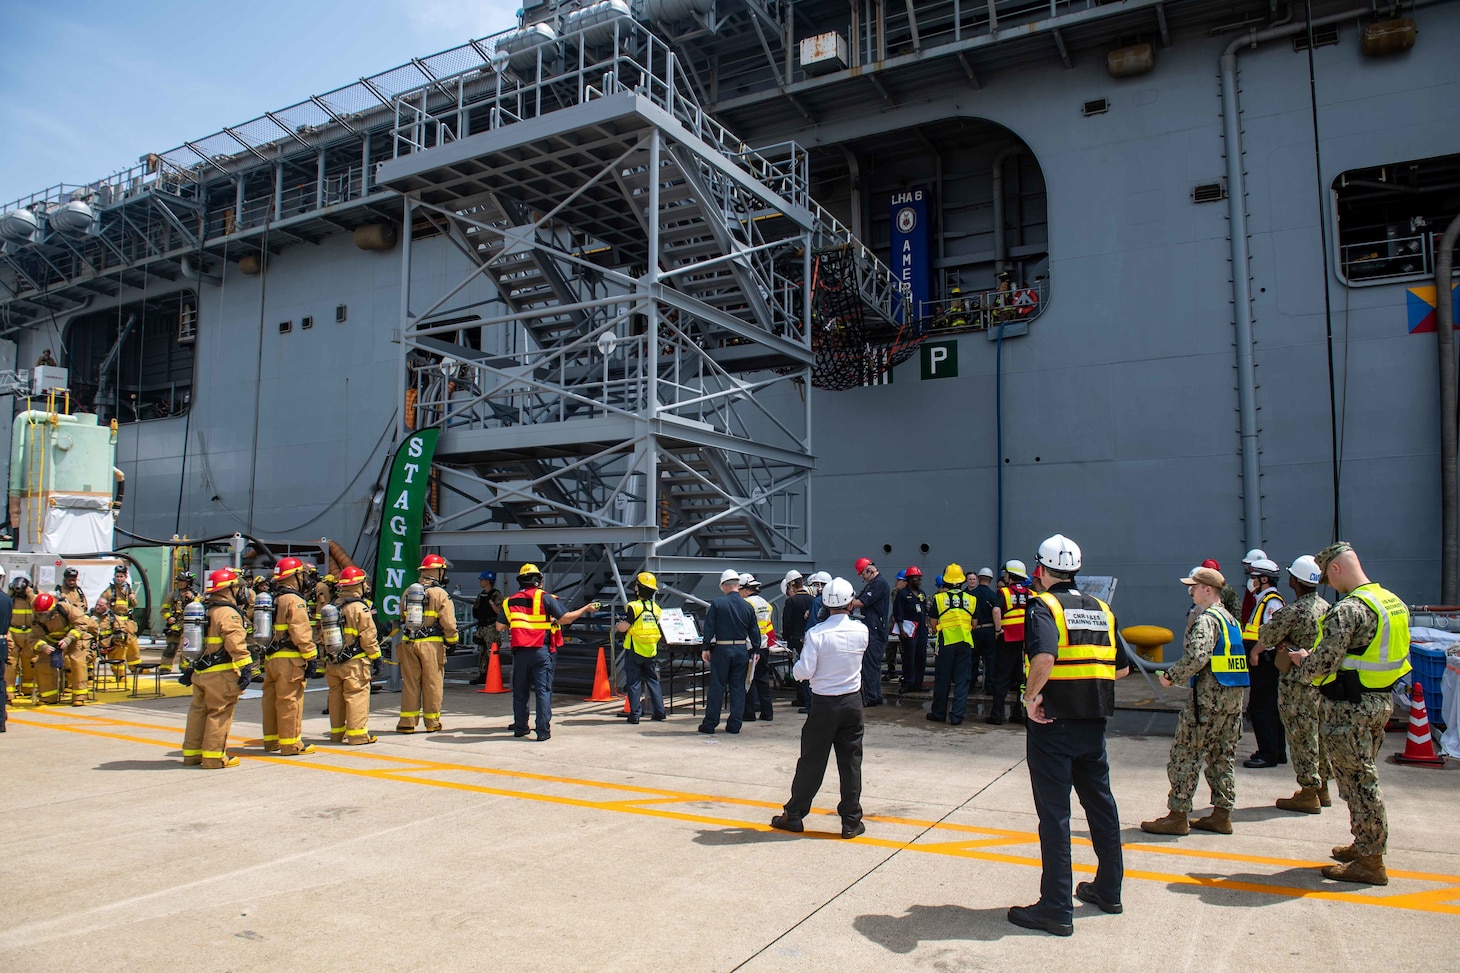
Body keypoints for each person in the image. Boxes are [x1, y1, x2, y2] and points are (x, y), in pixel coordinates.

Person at [1009, 534, 1128, 938]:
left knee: (1055, 815)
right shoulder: (1103, 609)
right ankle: (1109, 889)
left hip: (1053, 723)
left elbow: (1043, 657)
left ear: (1040, 571)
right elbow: (1122, 668)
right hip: (1093, 720)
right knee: (1101, 804)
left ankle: (1056, 907)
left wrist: (1031, 698)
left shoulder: (1043, 606)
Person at [1288, 542, 1411, 886]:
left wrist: (1303, 661)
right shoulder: (1391, 602)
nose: (1329, 583)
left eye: (1328, 575)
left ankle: (1371, 861)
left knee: (1359, 783)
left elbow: (1322, 664)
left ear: (1336, 570)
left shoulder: (1347, 610)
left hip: (1349, 709)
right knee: (1362, 777)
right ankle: (1364, 845)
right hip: (1379, 701)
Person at [1140, 566, 1249, 837]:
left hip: (1207, 701)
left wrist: (1170, 676)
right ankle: (1222, 814)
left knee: (1186, 754)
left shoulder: (1207, 619)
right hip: (1232, 701)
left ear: (1207, 590)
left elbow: (1197, 657)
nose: (1190, 591)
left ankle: (1178, 815)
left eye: (1194, 586)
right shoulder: (1231, 620)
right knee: (1222, 756)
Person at [770, 578, 869, 839]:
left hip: (824, 703)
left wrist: (796, 669)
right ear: (850, 602)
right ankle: (851, 820)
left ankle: (794, 815)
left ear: (825, 604)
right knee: (850, 762)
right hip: (852, 702)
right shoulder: (862, 631)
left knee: (811, 761)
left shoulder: (816, 634)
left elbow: (804, 671)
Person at [1262, 555, 1332, 813]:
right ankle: (1322, 786)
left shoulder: (1293, 612)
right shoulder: (1327, 607)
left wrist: (1286, 642)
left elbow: (1266, 635)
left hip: (1297, 684)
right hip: (1322, 681)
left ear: (1294, 581)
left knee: (1301, 736)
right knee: (1319, 734)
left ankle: (1308, 791)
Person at [496, 563, 596, 741]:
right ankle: (542, 731)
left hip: (520, 653)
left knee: (520, 691)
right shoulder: (546, 598)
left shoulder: (509, 601)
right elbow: (565, 619)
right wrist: (585, 609)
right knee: (543, 691)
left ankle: (520, 727)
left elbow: (499, 626)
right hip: (542, 651)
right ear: (539, 581)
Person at [180, 569, 254, 768]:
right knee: (219, 712)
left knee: (198, 711)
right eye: (237, 587)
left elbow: (185, 642)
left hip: (200, 672)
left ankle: (192, 755)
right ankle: (213, 757)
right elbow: (235, 643)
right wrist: (246, 667)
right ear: (228, 589)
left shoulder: (203, 609)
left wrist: (188, 668)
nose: (241, 591)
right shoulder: (227, 613)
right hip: (220, 673)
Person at [262, 556, 318, 755]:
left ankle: (271, 742)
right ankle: (291, 744)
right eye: (302, 575)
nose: (305, 578)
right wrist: (311, 656)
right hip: (290, 660)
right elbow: (300, 631)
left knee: (270, 700)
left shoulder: (273, 599)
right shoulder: (295, 601)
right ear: (294, 577)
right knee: (289, 700)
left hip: (271, 659)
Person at [397, 553, 459, 734]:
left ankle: (407, 722)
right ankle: (432, 722)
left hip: (409, 642)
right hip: (431, 645)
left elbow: (402, 614)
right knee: (432, 683)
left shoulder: (409, 591)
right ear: (438, 571)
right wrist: (452, 640)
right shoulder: (440, 593)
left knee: (410, 683)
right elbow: (448, 621)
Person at [698, 568, 760, 734]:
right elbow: (755, 631)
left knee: (717, 687)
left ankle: (710, 724)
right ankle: (734, 725)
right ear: (738, 585)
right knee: (738, 687)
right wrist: (756, 650)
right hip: (741, 649)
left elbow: (709, 628)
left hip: (722, 648)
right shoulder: (747, 606)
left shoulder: (718, 604)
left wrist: (705, 648)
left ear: (724, 586)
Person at [325, 566, 381, 745]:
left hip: (333, 662)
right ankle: (358, 736)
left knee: (336, 697)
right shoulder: (359, 608)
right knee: (356, 695)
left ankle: (337, 734)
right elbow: (368, 636)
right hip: (354, 663)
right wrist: (376, 657)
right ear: (360, 585)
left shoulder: (333, 607)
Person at [1241, 558, 1287, 769]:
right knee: (1268, 707)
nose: (1251, 582)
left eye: (1254, 578)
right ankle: (1276, 751)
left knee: (1261, 708)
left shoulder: (1271, 601)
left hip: (1265, 662)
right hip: (1263, 660)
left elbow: (1271, 633)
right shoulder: (1263, 599)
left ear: (1264, 579)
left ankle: (1267, 753)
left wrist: (1256, 652)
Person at [615, 572, 666, 725]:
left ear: (638, 588)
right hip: (651, 650)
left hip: (634, 649)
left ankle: (635, 714)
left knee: (634, 682)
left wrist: (618, 626)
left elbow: (625, 627)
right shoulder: (656, 609)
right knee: (652, 680)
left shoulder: (633, 606)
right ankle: (660, 712)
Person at [31, 591, 98, 706]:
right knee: (42, 662)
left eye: (45, 614)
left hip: (75, 638)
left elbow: (81, 625)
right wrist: (43, 646)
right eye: (40, 614)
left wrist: (68, 639)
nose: (42, 617)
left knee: (76, 660)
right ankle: (48, 696)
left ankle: (79, 696)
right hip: (52, 642)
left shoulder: (66, 609)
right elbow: (34, 636)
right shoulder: (37, 616)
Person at [927, 564, 975, 725]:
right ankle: (957, 716)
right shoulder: (971, 599)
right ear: (962, 581)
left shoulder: (939, 599)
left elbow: (933, 624)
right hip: (965, 642)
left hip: (946, 643)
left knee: (943, 679)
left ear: (945, 581)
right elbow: (974, 623)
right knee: (962, 681)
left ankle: (939, 713)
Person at [990, 560, 1032, 725]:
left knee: (1002, 679)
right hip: (1026, 641)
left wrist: (997, 630)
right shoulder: (1032, 594)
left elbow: (996, 610)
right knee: (1022, 679)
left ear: (1010, 575)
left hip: (1007, 639)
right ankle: (1020, 713)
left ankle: (997, 716)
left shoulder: (1004, 592)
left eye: (1006, 573)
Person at [849, 558, 891, 706]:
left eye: (862, 574)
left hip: (874, 630)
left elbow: (862, 602)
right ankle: (876, 695)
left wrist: (842, 603)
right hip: (875, 628)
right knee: (873, 665)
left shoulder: (878, 584)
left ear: (869, 570)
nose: (862, 577)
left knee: (869, 665)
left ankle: (871, 697)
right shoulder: (873, 584)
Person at [740, 574, 775, 722]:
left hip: (749, 646)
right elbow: (768, 627)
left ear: (744, 589)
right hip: (764, 646)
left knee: (748, 681)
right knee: (763, 680)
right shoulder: (766, 604)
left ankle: (749, 713)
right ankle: (767, 713)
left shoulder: (746, 604)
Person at [98, 565, 141, 677]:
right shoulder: (109, 591)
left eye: (121, 576)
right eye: (117, 576)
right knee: (119, 648)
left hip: (128, 623)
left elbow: (134, 604)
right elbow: (101, 606)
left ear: (125, 576)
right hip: (116, 623)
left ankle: (136, 667)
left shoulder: (128, 590)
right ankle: (119, 674)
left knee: (133, 645)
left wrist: (132, 598)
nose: (119, 578)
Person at [892, 566, 930, 692]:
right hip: (909, 631)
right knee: (909, 657)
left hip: (921, 630)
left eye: (919, 579)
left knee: (921, 656)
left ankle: (918, 682)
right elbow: (898, 613)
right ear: (909, 579)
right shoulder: (902, 594)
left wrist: (927, 626)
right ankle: (908, 682)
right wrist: (901, 630)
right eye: (915, 579)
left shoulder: (922, 594)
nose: (918, 582)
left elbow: (925, 611)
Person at [781, 572, 813, 709]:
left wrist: (786, 637)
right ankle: (809, 698)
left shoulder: (791, 602)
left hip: (795, 639)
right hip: (810, 639)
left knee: (798, 671)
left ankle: (801, 698)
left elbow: (786, 622)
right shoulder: (812, 599)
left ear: (790, 586)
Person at [160, 572, 199, 673]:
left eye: (183, 581)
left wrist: (193, 598)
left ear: (189, 582)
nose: (180, 583)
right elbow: (163, 610)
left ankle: (185, 667)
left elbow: (202, 606)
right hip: (176, 625)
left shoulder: (195, 595)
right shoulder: (173, 595)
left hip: (190, 625)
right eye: (179, 581)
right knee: (171, 646)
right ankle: (165, 667)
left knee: (187, 646)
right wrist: (169, 618)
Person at [470, 569, 503, 686]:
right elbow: (476, 609)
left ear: (488, 581)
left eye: (483, 580)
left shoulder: (495, 594)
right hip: (482, 626)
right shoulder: (481, 595)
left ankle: (494, 674)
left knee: (492, 651)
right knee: (482, 652)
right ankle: (483, 674)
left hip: (491, 627)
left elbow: (499, 611)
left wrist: (492, 604)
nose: (481, 582)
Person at [970, 567, 999, 693]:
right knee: (990, 660)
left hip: (974, 630)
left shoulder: (970, 595)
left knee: (972, 659)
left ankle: (970, 685)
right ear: (990, 580)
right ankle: (989, 687)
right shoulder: (994, 595)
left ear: (978, 579)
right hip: (990, 630)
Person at [7, 577, 35, 704]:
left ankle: (28, 689)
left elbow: (38, 605)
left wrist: (29, 592)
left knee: (29, 661)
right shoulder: (11, 597)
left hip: (29, 633)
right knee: (10, 663)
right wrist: (10, 591)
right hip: (13, 632)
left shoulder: (32, 597)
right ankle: (9, 692)